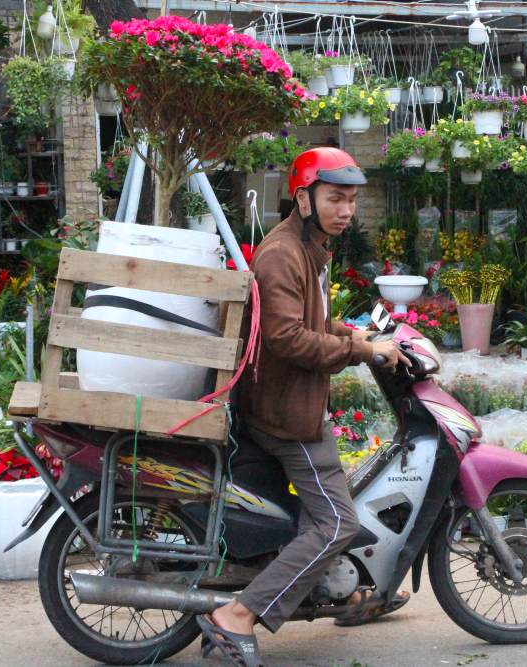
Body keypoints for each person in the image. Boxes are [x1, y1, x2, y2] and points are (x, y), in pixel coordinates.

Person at [196, 148, 411, 666]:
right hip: (285, 414)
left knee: (323, 514)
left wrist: (351, 332)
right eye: (335, 197)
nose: (346, 210)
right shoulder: (282, 254)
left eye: (352, 200)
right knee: (336, 522)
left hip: (293, 402)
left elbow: (310, 319)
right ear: (303, 198)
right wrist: (362, 350)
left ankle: (351, 591)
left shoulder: (310, 247)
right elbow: (288, 338)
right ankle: (238, 616)